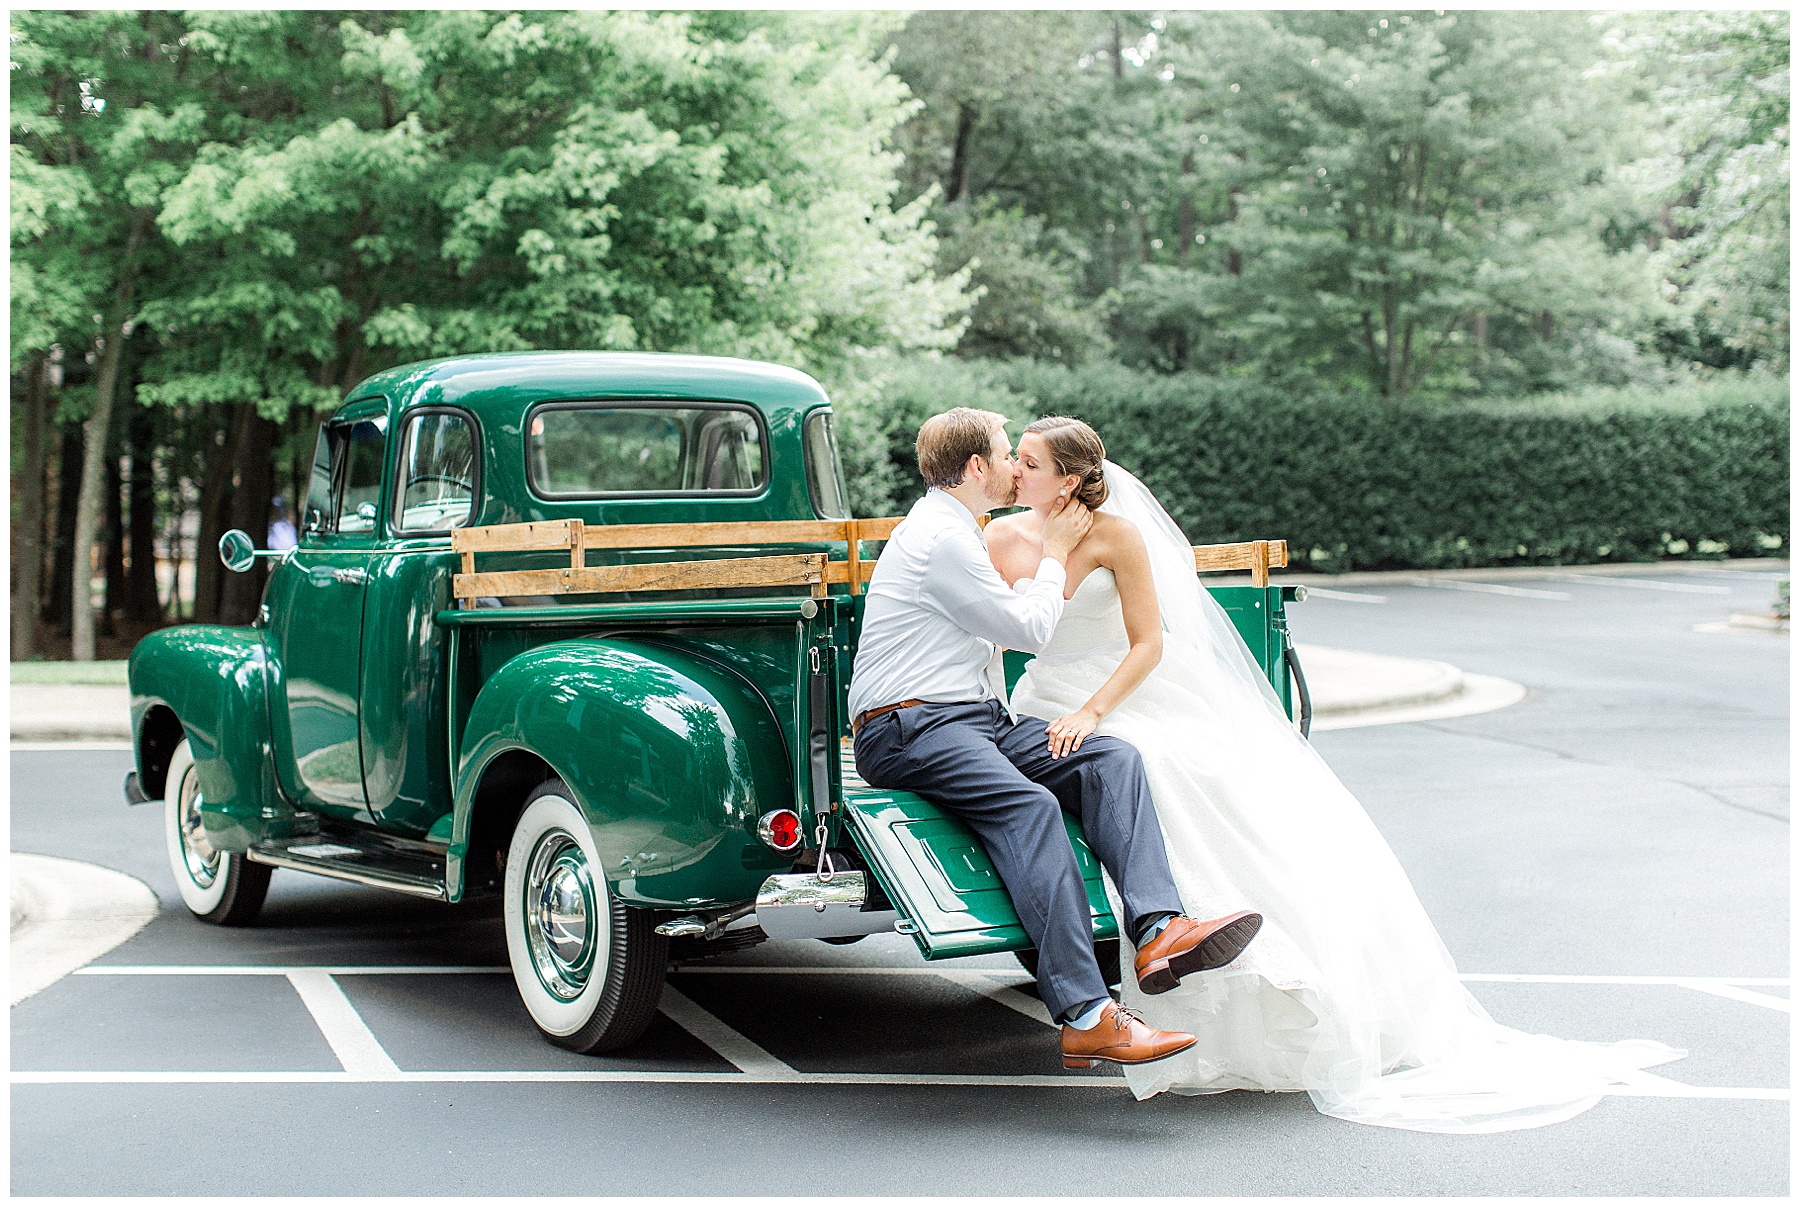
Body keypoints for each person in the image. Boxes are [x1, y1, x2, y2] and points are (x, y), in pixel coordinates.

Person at [984, 415, 1686, 1133]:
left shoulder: (1118, 535)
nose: (1015, 472)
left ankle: (1219, 946)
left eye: (1029, 463)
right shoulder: (1002, 538)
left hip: (1123, 691)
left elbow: (1148, 643)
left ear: (1068, 480)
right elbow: (989, 633)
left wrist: (1096, 711)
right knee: (1144, 763)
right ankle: (1172, 933)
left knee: (1192, 764)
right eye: (1018, 460)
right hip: (1046, 696)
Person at [848, 408, 1265, 1071]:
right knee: (1031, 808)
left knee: (1109, 758)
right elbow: (1030, 628)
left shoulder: (959, 528)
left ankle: (1160, 928)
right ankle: (1087, 1015)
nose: (1014, 467)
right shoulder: (940, 538)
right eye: (1005, 454)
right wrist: (1057, 553)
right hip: (908, 726)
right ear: (977, 466)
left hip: (970, 718)